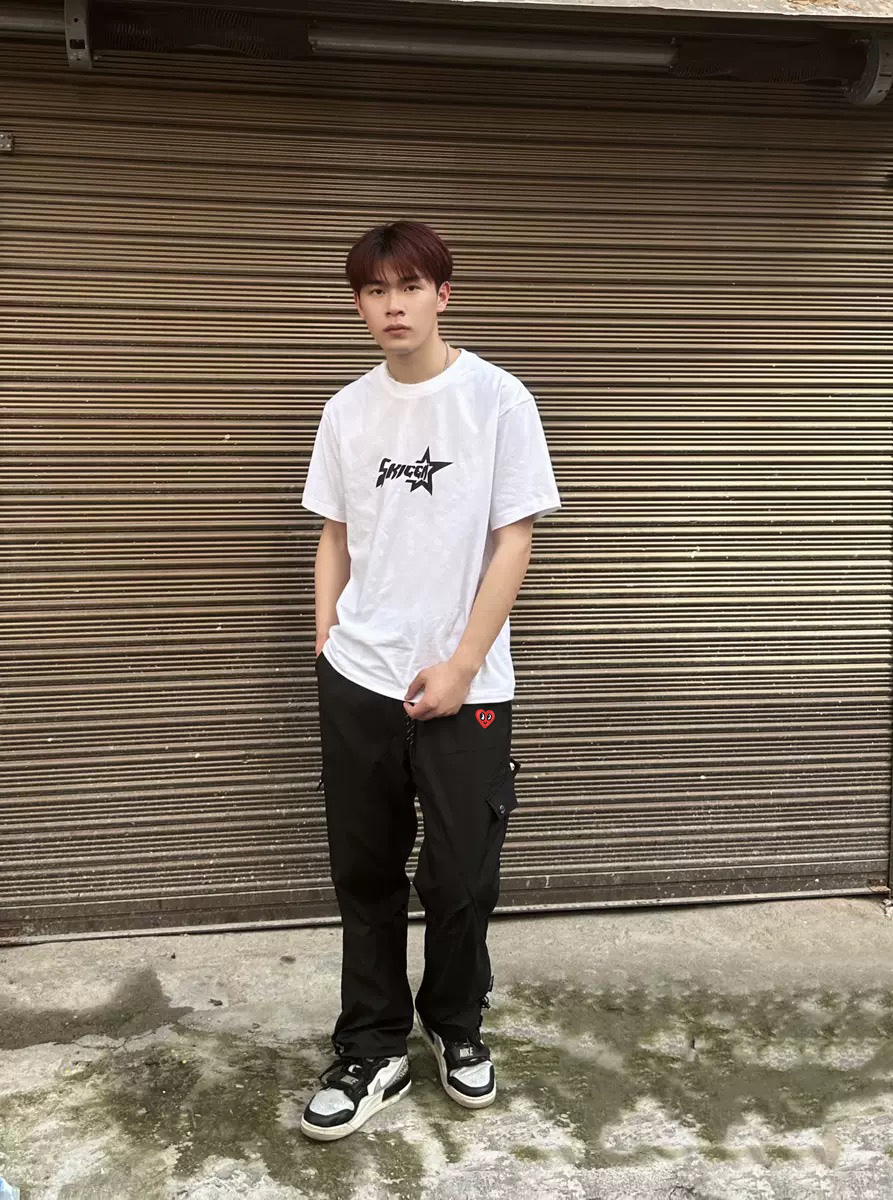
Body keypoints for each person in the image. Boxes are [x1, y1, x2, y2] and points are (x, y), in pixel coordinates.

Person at [299, 219, 561, 1141]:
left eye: (409, 287)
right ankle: (372, 1047)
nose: (392, 306)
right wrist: (328, 638)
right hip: (359, 680)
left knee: (460, 879)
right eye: (374, 291)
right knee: (364, 873)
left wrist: (459, 665)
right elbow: (333, 532)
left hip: (467, 687)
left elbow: (514, 539)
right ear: (359, 306)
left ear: (442, 295)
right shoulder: (347, 410)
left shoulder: (497, 400)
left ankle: (455, 1024)